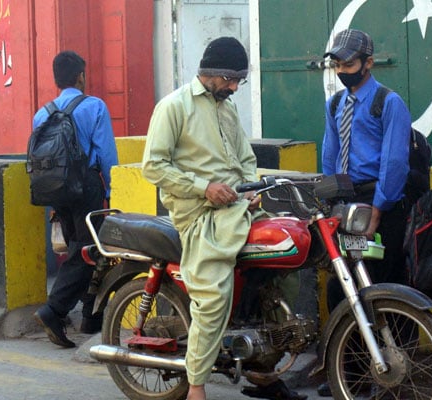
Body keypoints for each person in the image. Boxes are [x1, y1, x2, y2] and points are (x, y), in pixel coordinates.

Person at [141, 37, 305, 400]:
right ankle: (196, 387)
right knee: (214, 298)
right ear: (212, 72)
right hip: (201, 217)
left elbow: (245, 159)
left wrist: (249, 189)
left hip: (239, 210)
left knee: (281, 277)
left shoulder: (226, 108)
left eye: (238, 81)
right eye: (231, 79)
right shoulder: (173, 107)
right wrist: (204, 187)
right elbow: (153, 167)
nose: (234, 87)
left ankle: (263, 371)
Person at [318, 28, 412, 397]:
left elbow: (394, 161)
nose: (343, 69)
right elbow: (329, 156)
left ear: (369, 63)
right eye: (338, 64)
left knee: (382, 288)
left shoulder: (389, 102)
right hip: (344, 205)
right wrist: (329, 204)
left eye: (350, 63)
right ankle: (349, 373)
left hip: (379, 205)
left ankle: (390, 370)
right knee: (341, 289)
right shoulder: (334, 104)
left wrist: (379, 208)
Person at [33, 50, 118, 348]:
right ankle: (54, 310)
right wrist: (110, 191)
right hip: (87, 189)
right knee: (89, 252)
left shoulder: (41, 114)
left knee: (78, 249)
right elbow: (107, 154)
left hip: (57, 190)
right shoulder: (94, 106)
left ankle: (90, 318)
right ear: (80, 76)